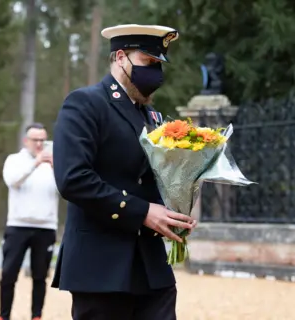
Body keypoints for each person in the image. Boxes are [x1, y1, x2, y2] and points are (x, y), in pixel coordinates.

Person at [51, 24, 197, 320]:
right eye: (149, 62)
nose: (156, 72)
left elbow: (151, 178)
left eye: (159, 65)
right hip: (101, 263)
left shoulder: (152, 116)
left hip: (151, 265)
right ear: (120, 57)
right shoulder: (85, 104)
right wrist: (143, 211)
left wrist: (177, 205)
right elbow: (73, 179)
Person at [0, 123, 58, 320]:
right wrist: (35, 163)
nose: (40, 144)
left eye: (43, 140)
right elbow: (12, 180)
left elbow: (66, 190)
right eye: (35, 140)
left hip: (46, 227)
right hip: (17, 225)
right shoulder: (14, 160)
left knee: (40, 277)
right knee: (8, 275)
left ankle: (37, 315)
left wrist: (57, 168)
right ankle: (4, 315)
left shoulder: (54, 164)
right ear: (26, 141)